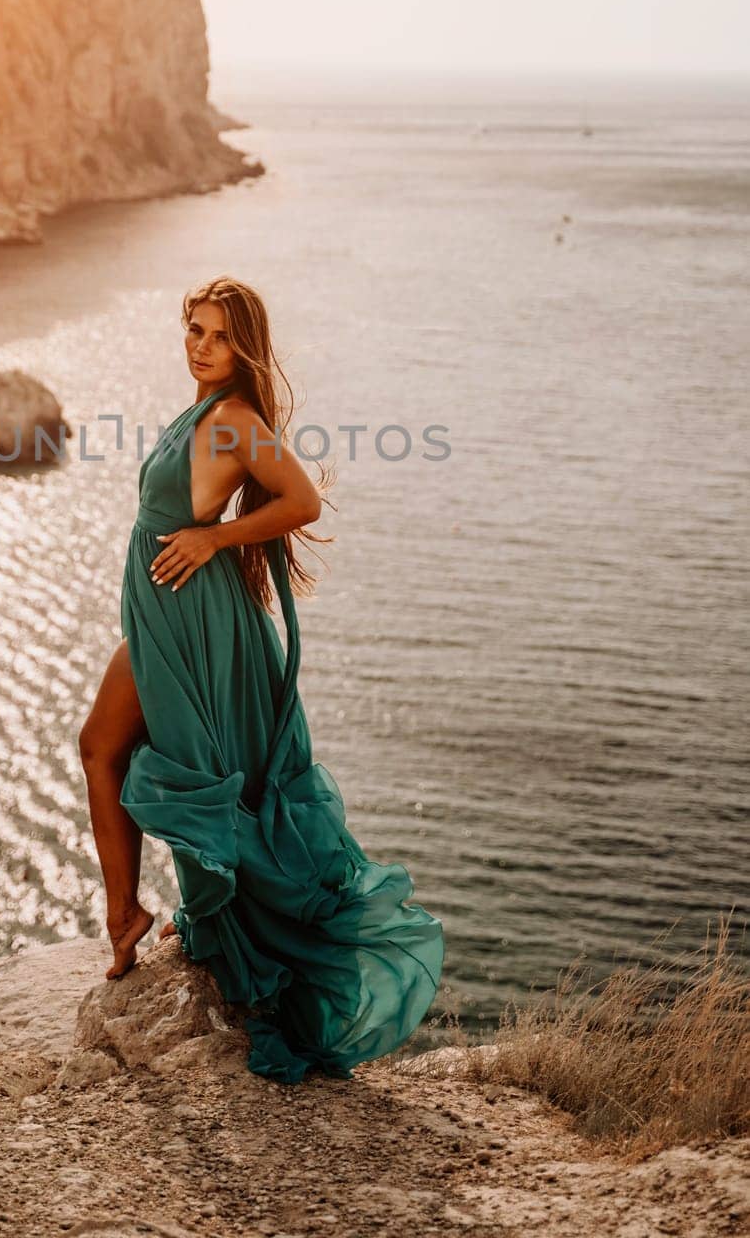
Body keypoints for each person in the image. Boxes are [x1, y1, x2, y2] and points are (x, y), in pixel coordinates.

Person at [78, 275, 444, 1082]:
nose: (199, 346)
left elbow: (302, 501)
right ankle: (132, 912)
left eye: (214, 335)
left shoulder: (235, 419)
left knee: (126, 754)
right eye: (192, 330)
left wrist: (216, 540)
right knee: (116, 752)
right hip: (165, 616)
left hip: (191, 620)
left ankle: (126, 916)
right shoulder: (201, 412)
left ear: (242, 345)